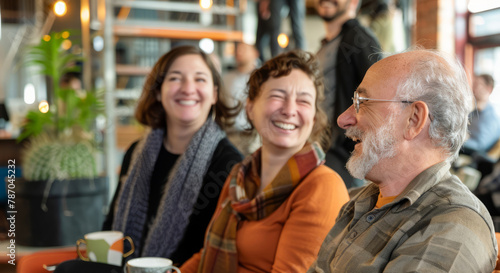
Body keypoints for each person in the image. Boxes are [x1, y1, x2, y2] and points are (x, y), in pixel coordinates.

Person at [54, 45, 243, 272]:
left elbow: (217, 252)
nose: (187, 88)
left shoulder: (229, 164)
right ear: (157, 91)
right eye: (175, 78)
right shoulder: (136, 153)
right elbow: (111, 227)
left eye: (200, 79)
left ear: (214, 93)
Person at [307, 49, 498, 272]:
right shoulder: (359, 201)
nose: (343, 118)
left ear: (414, 120)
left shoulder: (454, 225)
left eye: (363, 101)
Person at [180, 50, 350, 273]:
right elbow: (207, 254)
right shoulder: (239, 176)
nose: (290, 110)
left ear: (314, 117)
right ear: (250, 108)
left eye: (303, 101)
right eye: (278, 95)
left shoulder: (322, 186)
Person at [315, 0, 382, 189]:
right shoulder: (327, 45)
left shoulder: (360, 39)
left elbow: (379, 97)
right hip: (321, 149)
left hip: (344, 155)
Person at [223, 42, 261, 155]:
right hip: (230, 135)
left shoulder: (262, 79)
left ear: (255, 53)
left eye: (244, 49)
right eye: (238, 50)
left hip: (254, 136)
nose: (239, 52)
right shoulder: (226, 78)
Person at [463, 74, 500, 155]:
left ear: (489, 89)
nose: (473, 88)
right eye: (474, 84)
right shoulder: (473, 112)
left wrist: (460, 139)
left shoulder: (492, 118)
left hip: (473, 159)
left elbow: (480, 146)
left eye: (478, 85)